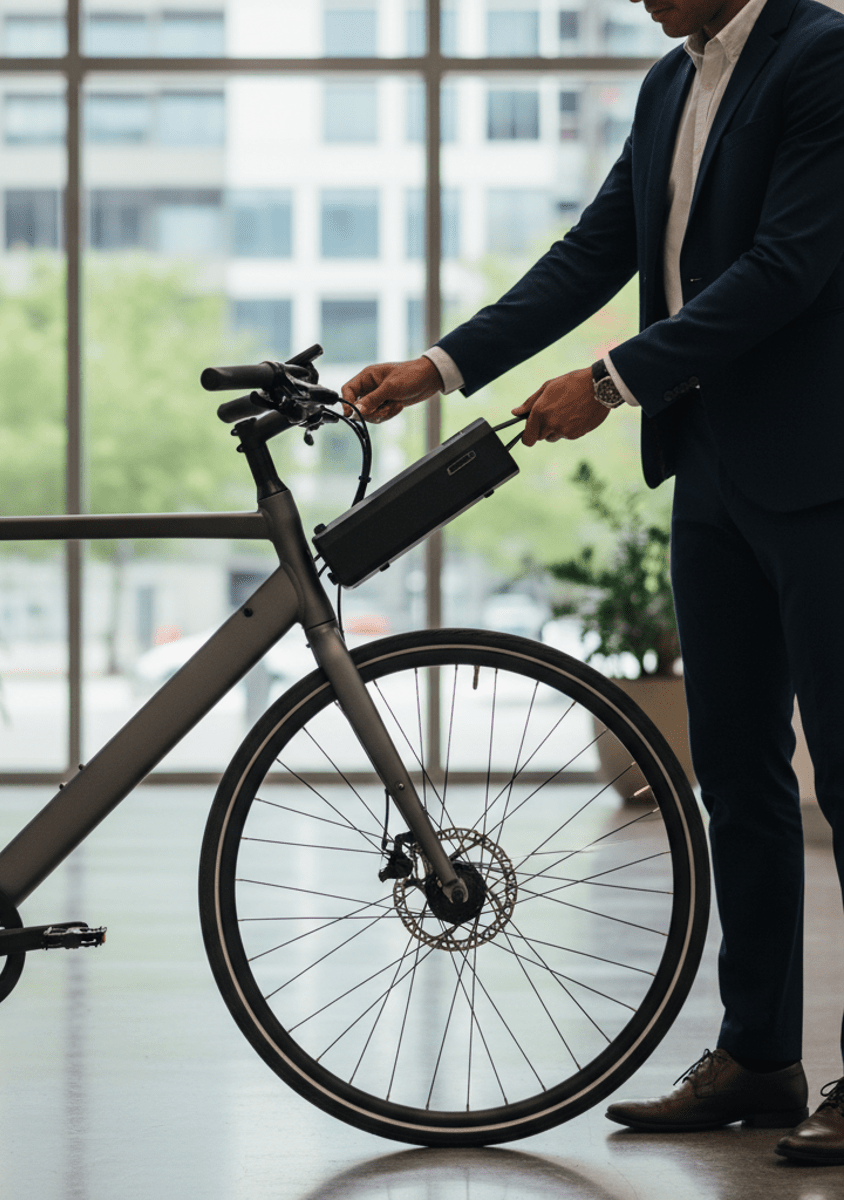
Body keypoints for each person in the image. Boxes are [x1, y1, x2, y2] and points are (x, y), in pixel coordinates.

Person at [341, 0, 844, 1165]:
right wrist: (442, 366)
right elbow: (596, 251)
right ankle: (762, 1057)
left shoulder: (824, 61)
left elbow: (791, 266)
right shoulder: (669, 85)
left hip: (822, 471)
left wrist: (613, 380)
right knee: (736, 771)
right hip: (712, 470)